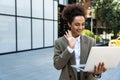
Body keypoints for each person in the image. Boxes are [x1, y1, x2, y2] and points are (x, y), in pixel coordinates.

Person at [53, 3, 106, 80]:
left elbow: (93, 65)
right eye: (77, 24)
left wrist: (97, 73)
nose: (81, 28)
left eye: (83, 24)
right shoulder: (59, 42)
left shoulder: (91, 41)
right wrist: (70, 48)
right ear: (69, 24)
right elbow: (57, 66)